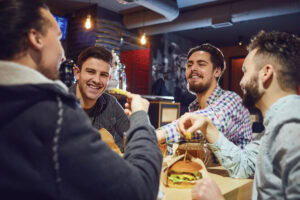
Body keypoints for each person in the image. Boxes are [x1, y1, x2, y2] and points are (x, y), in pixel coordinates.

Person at [0, 1, 162, 200]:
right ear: (36, 38)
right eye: (59, 38)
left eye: (104, 74)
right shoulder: (55, 114)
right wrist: (140, 116)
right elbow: (140, 190)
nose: (62, 52)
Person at [177, 31, 300, 199]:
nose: (241, 82)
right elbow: (243, 166)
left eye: (245, 71)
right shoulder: (274, 129)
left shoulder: (291, 128)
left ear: (266, 73)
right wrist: (208, 127)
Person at [156, 43, 252, 154]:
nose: (193, 69)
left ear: (217, 71)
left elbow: (211, 122)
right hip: (207, 170)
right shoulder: (194, 107)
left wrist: (156, 135)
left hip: (234, 171)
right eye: (189, 65)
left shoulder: (232, 100)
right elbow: (189, 145)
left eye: (201, 64)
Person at [70, 46, 130, 152]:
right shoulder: (59, 104)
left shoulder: (111, 104)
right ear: (77, 73)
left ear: (109, 78)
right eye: (91, 72)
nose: (97, 80)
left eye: (103, 75)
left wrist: (139, 116)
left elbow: (134, 135)